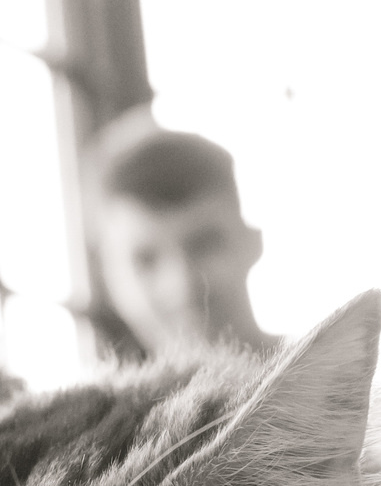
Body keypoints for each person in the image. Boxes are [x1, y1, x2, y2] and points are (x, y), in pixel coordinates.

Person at [80, 106, 277, 360]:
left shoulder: (337, 389)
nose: (183, 286)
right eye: (145, 260)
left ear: (252, 243)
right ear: (105, 277)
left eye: (204, 245)